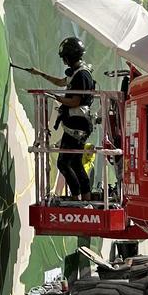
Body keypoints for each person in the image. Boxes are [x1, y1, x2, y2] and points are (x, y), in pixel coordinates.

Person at [53, 36, 96, 201]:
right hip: (77, 125)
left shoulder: (81, 75)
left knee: (64, 163)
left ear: (68, 57)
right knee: (76, 163)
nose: (64, 61)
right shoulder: (80, 73)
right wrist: (40, 73)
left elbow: (75, 101)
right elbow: (60, 82)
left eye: (64, 57)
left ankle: (77, 198)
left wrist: (55, 97)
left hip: (76, 126)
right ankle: (83, 200)